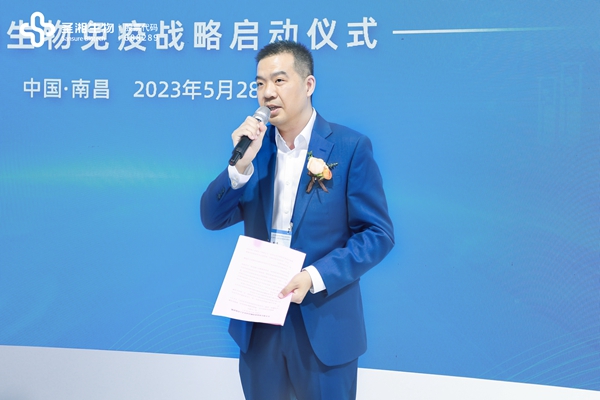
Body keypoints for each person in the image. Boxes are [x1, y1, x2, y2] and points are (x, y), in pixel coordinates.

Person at [201, 40, 394, 400]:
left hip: (323, 323)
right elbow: (211, 218)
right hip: (260, 323)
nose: (267, 93)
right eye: (260, 83)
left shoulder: (349, 147)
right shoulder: (255, 151)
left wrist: (315, 276)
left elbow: (377, 234)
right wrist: (238, 166)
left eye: (278, 80)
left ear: (308, 85)